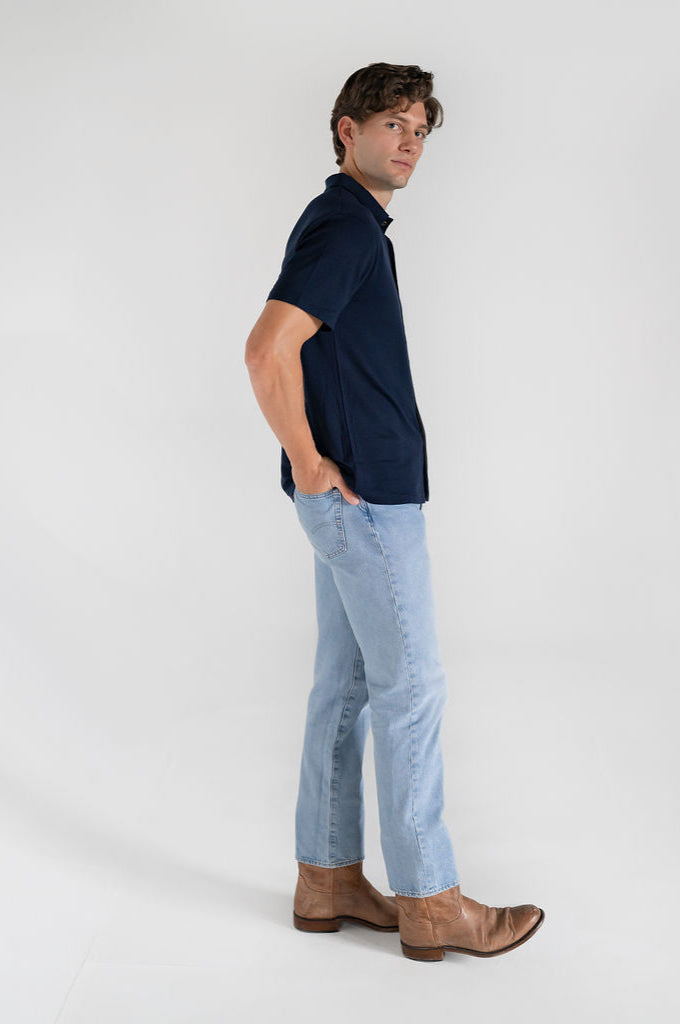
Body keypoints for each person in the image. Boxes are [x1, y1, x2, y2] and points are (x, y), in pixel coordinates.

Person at [244, 62, 545, 961]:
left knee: (346, 690)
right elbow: (268, 350)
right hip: (365, 500)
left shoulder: (347, 223)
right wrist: (307, 458)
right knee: (409, 691)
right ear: (346, 129)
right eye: (392, 125)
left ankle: (328, 878)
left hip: (351, 500)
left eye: (420, 128)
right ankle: (431, 901)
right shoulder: (344, 226)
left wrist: (310, 472)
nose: (409, 141)